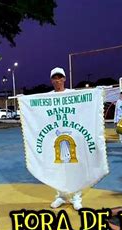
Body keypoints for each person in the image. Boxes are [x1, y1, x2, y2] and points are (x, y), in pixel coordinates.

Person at [47, 67, 83, 210]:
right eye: (55, 78)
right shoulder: (48, 96)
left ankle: (76, 198)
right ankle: (61, 196)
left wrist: (98, 91)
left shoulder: (72, 94)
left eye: (60, 77)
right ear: (51, 80)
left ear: (64, 79)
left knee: (74, 167)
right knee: (59, 168)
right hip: (56, 138)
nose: (58, 80)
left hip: (72, 137)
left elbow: (87, 99)